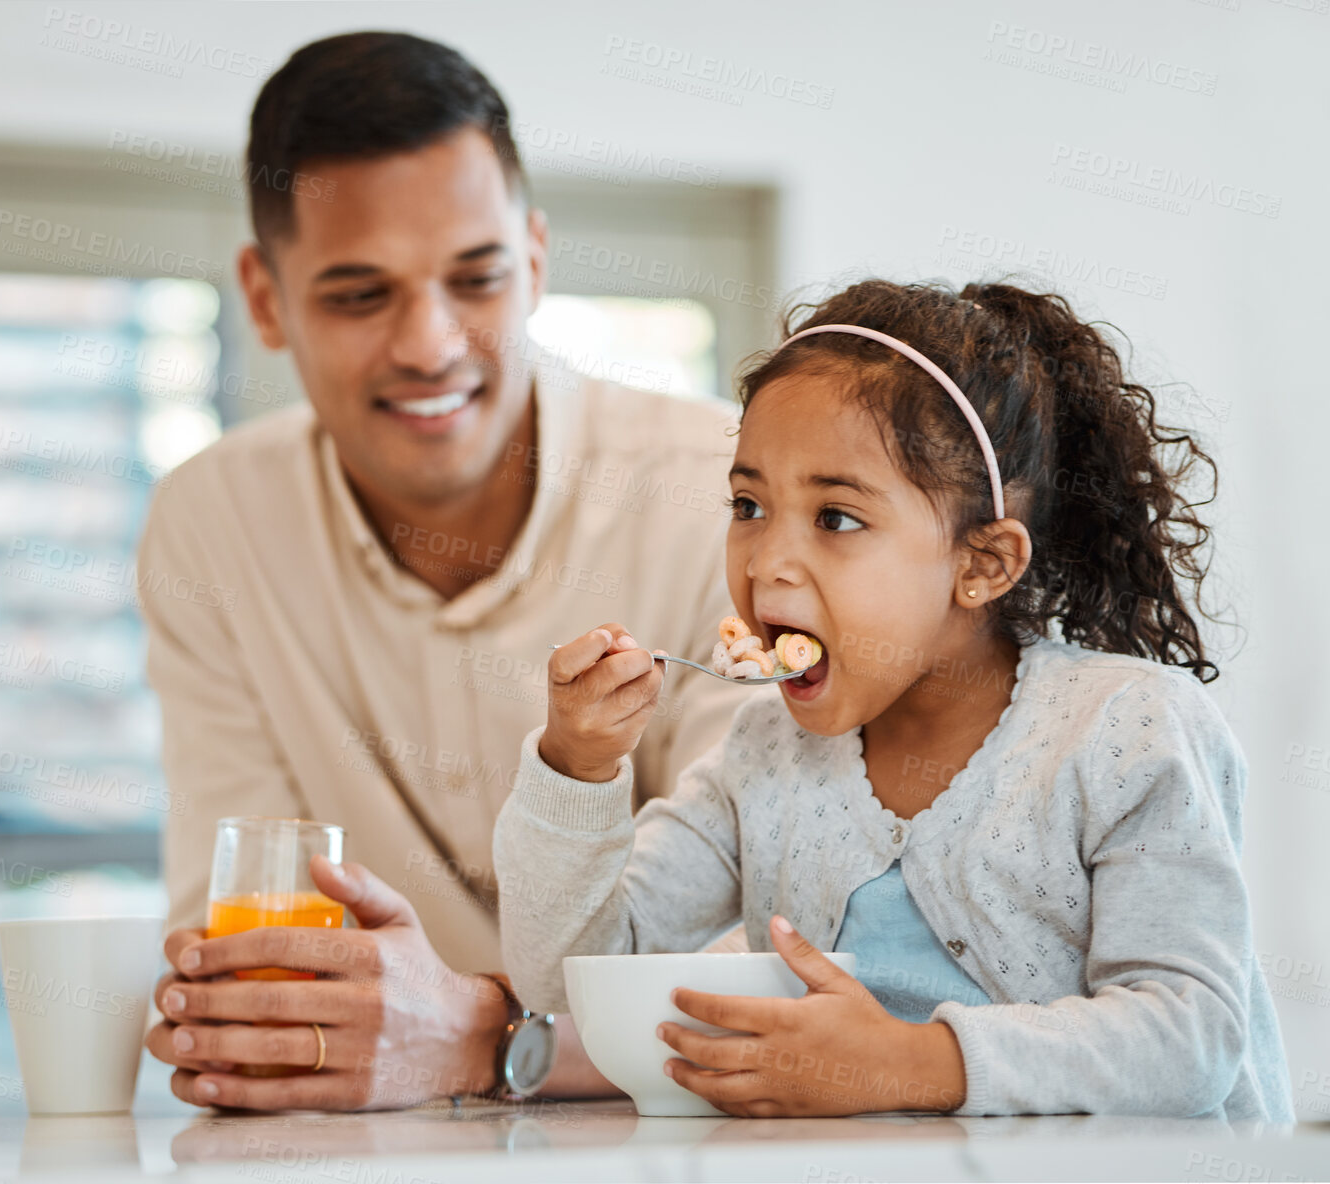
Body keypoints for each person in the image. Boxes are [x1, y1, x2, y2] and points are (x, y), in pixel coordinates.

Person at [497, 279, 1295, 1120]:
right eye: (748, 505)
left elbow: (1190, 1039)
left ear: (982, 564)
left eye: (836, 518)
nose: (767, 561)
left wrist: (912, 1063)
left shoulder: (1126, 731)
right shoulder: (763, 755)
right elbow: (568, 980)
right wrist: (577, 771)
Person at [138, 31, 743, 1110]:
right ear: (264, 298)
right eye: (359, 295)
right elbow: (249, 973)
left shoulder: (723, 492)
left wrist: (477, 1037)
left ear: (537, 260)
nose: (428, 344)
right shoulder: (211, 524)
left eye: (475, 278)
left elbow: (767, 958)